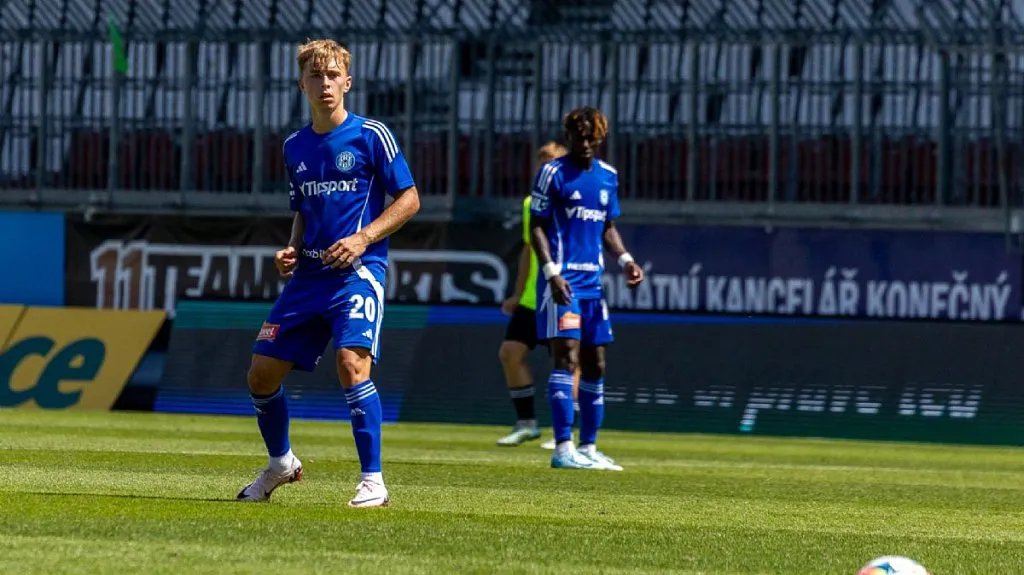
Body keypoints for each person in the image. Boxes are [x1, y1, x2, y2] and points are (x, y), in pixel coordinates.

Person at [237, 39, 420, 508]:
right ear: (302, 84)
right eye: (316, 76)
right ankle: (281, 465)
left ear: (348, 81)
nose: (326, 84)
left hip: (359, 271)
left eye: (334, 75)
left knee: (351, 364)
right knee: (260, 375)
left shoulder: (371, 135)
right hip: (308, 279)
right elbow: (303, 207)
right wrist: (292, 249)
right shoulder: (294, 146)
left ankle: (373, 481)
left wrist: (363, 239)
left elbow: (410, 199)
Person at [529, 106, 644, 471]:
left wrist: (625, 260)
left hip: (593, 286)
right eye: (579, 136)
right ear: (568, 137)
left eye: (592, 136)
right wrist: (550, 272)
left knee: (596, 363)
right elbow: (536, 226)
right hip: (562, 285)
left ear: (601, 137)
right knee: (567, 358)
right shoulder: (551, 174)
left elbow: (607, 226)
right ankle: (563, 447)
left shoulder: (608, 177)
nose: (586, 142)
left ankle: (589, 448)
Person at [496, 142, 581, 448]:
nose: (545, 168)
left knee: (566, 361)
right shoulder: (532, 202)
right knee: (510, 353)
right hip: (534, 297)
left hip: (563, 293)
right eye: (541, 162)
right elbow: (528, 251)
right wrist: (518, 293)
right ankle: (527, 424)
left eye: (551, 162)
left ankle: (566, 432)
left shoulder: (574, 200)